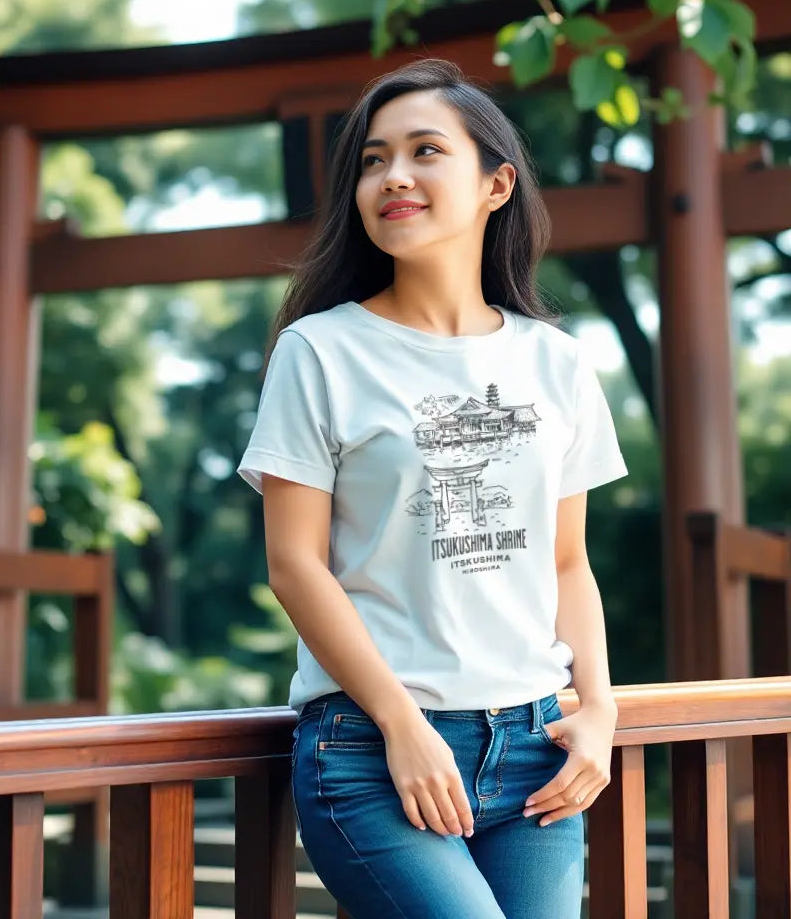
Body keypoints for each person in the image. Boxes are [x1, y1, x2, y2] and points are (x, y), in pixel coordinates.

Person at [237, 58, 627, 919]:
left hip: (535, 748)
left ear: (496, 184)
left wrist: (598, 709)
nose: (393, 177)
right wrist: (402, 726)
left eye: (423, 151)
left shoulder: (555, 362)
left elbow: (567, 562)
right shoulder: (320, 351)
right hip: (374, 751)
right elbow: (295, 566)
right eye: (372, 161)